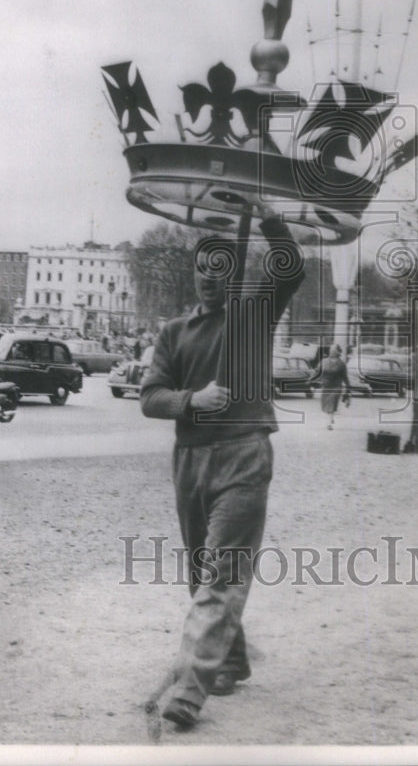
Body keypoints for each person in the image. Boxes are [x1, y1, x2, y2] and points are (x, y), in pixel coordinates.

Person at [140, 206, 304, 729]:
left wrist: (270, 220)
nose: (209, 276)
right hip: (190, 459)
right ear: (193, 272)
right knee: (200, 571)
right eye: (201, 267)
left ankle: (188, 691)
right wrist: (193, 398)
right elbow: (151, 397)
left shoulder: (255, 313)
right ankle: (230, 661)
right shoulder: (174, 331)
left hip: (244, 454)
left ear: (233, 273)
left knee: (220, 574)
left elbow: (291, 267)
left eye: (219, 267)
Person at [316, 345, 350, 429]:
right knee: (326, 406)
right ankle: (330, 418)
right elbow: (317, 371)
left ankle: (329, 423)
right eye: (331, 350)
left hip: (336, 386)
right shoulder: (324, 361)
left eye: (333, 350)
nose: (331, 351)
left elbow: (345, 377)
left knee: (332, 404)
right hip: (326, 386)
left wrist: (348, 389)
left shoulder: (341, 364)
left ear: (338, 352)